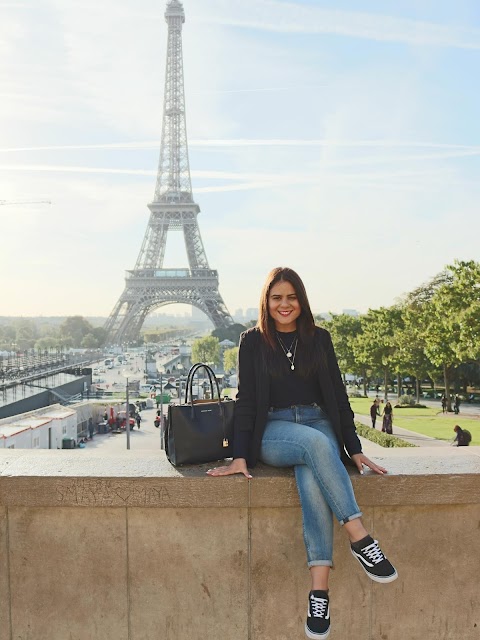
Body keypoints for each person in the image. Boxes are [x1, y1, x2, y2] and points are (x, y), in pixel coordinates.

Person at [206, 267, 397, 640]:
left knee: (313, 478)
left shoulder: (319, 339)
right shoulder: (252, 342)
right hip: (275, 429)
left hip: (318, 421)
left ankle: (319, 591)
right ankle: (359, 535)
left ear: (302, 300)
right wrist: (240, 455)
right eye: (276, 297)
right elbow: (246, 402)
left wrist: (355, 449)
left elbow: (338, 396)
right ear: (266, 301)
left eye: (291, 297)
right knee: (316, 447)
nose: (284, 304)